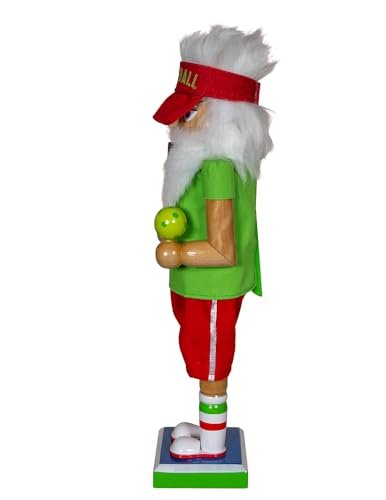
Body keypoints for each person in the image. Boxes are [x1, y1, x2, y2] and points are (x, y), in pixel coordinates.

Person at [153, 25, 276, 459]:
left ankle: (212, 443)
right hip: (199, 284)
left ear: (221, 116)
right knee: (203, 354)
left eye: (188, 113)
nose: (177, 123)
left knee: (211, 360)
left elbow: (222, 249)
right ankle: (208, 428)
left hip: (212, 286)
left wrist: (177, 252)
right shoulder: (205, 162)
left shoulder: (217, 168)